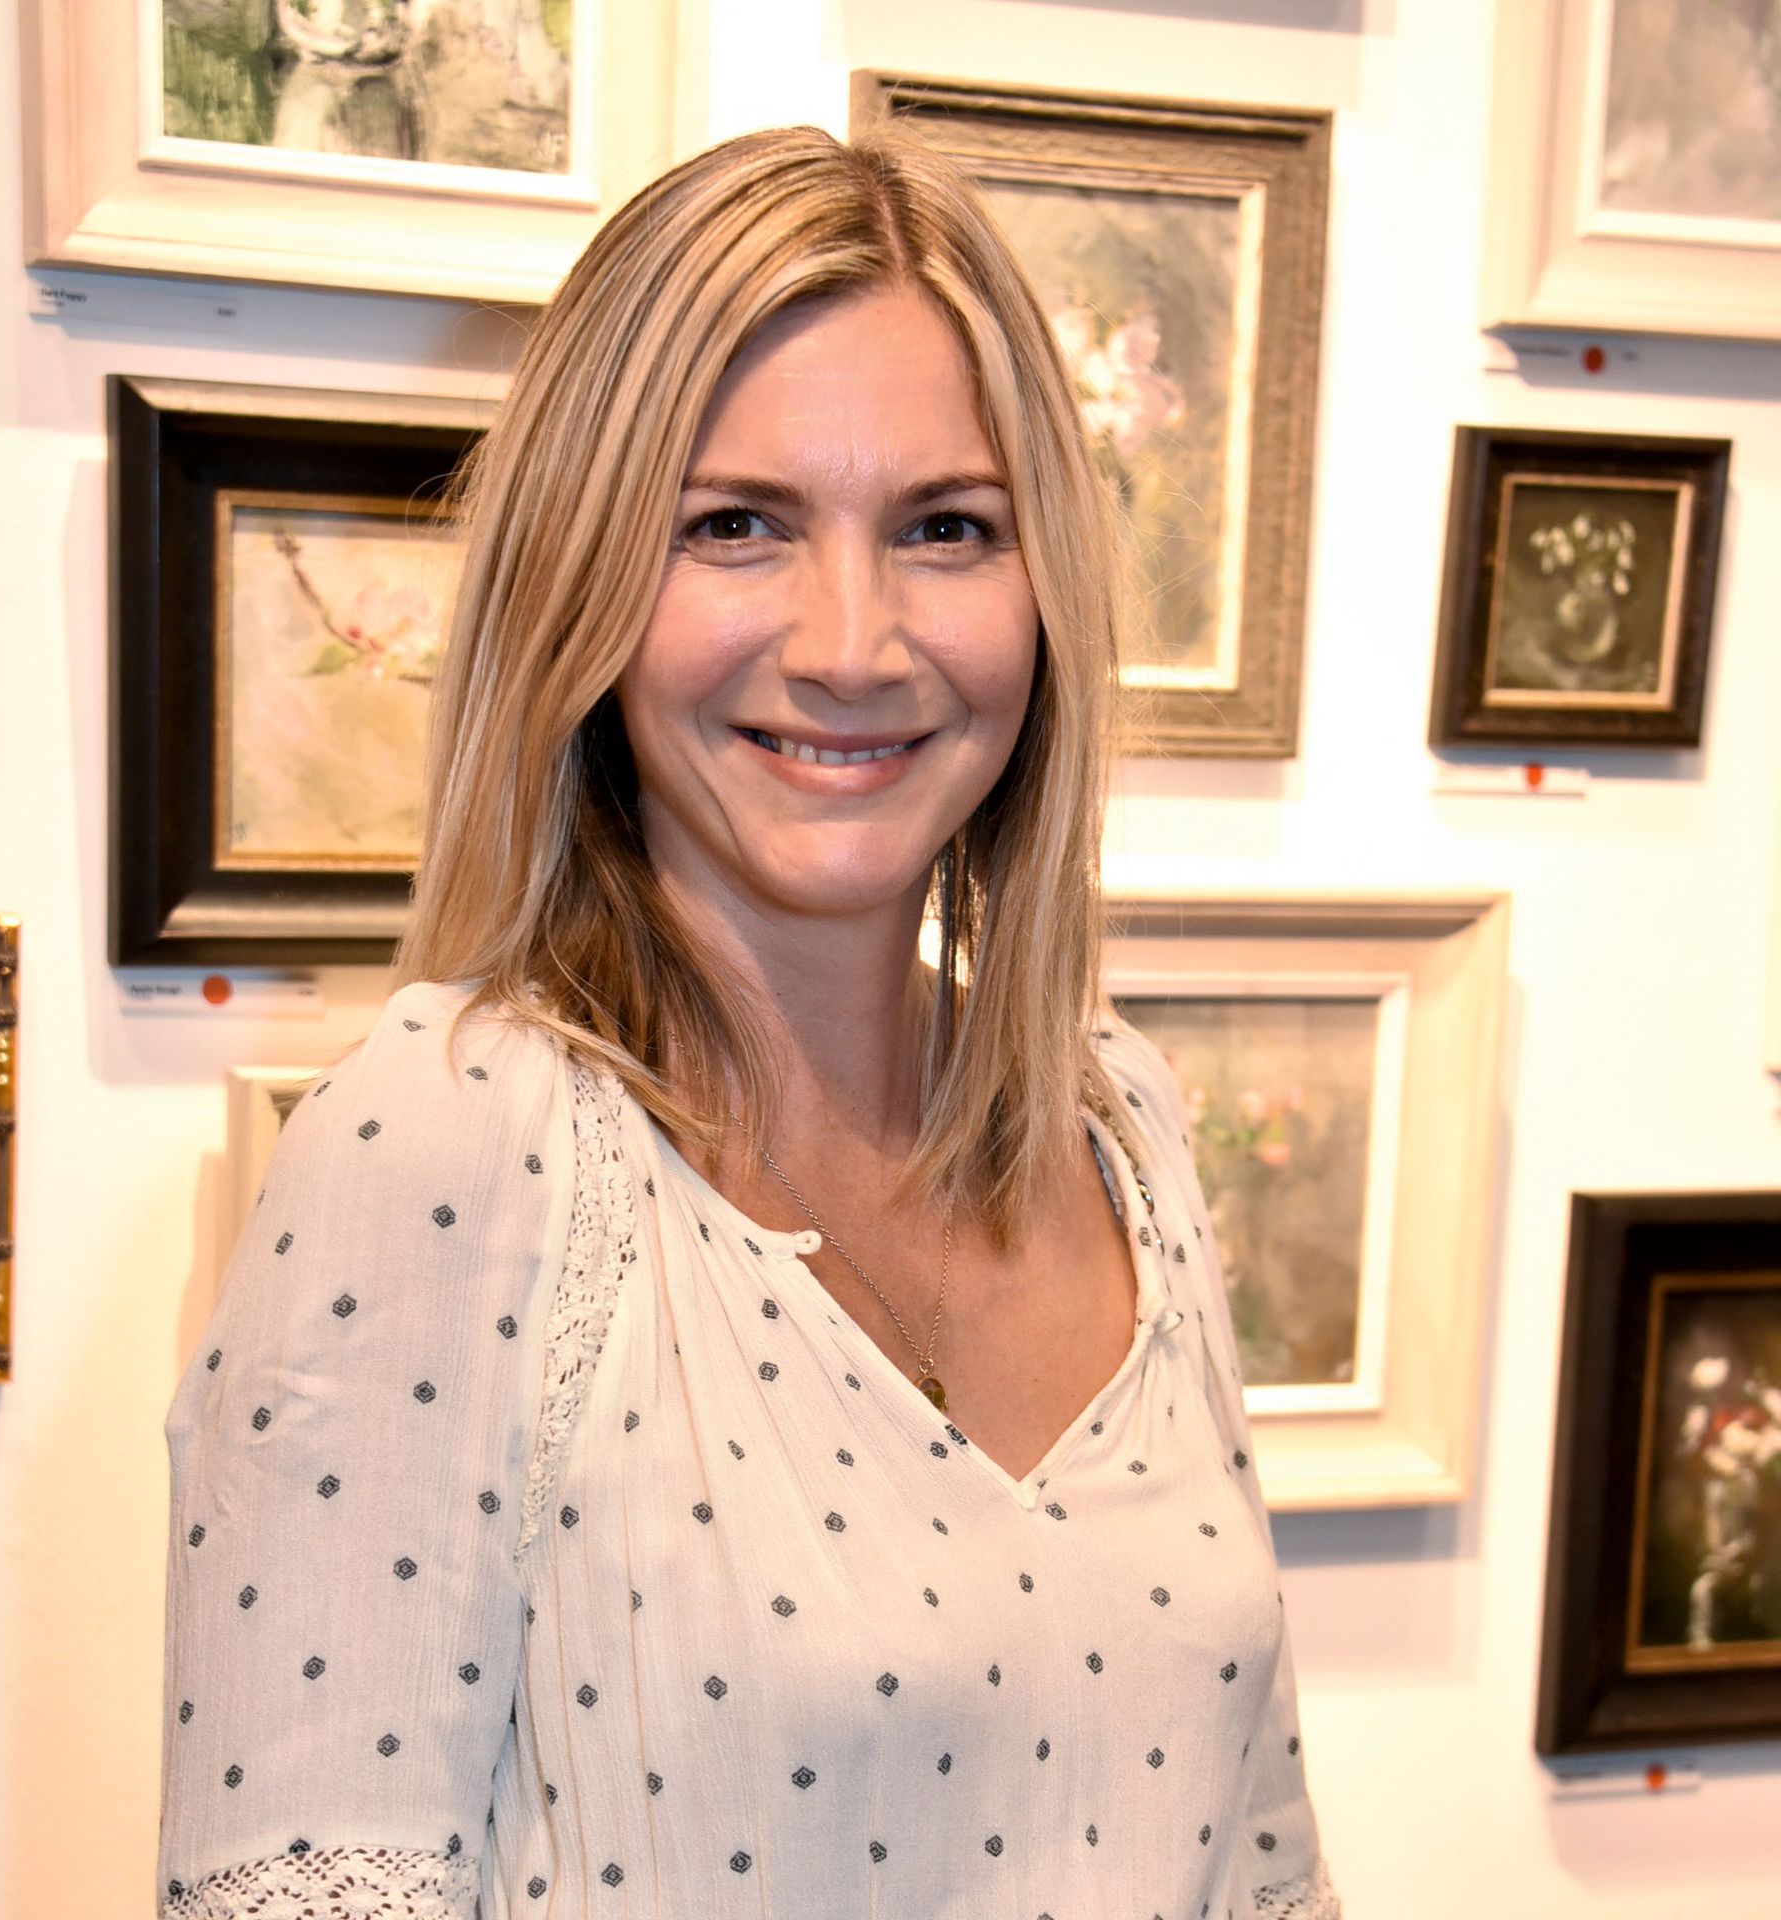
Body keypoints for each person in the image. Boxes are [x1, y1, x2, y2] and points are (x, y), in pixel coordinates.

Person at [156, 123, 1340, 1919]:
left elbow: (1263, 1873)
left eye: (946, 529)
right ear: (585, 584)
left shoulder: (1123, 1132)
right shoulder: (453, 1145)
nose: (854, 641)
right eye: (737, 528)